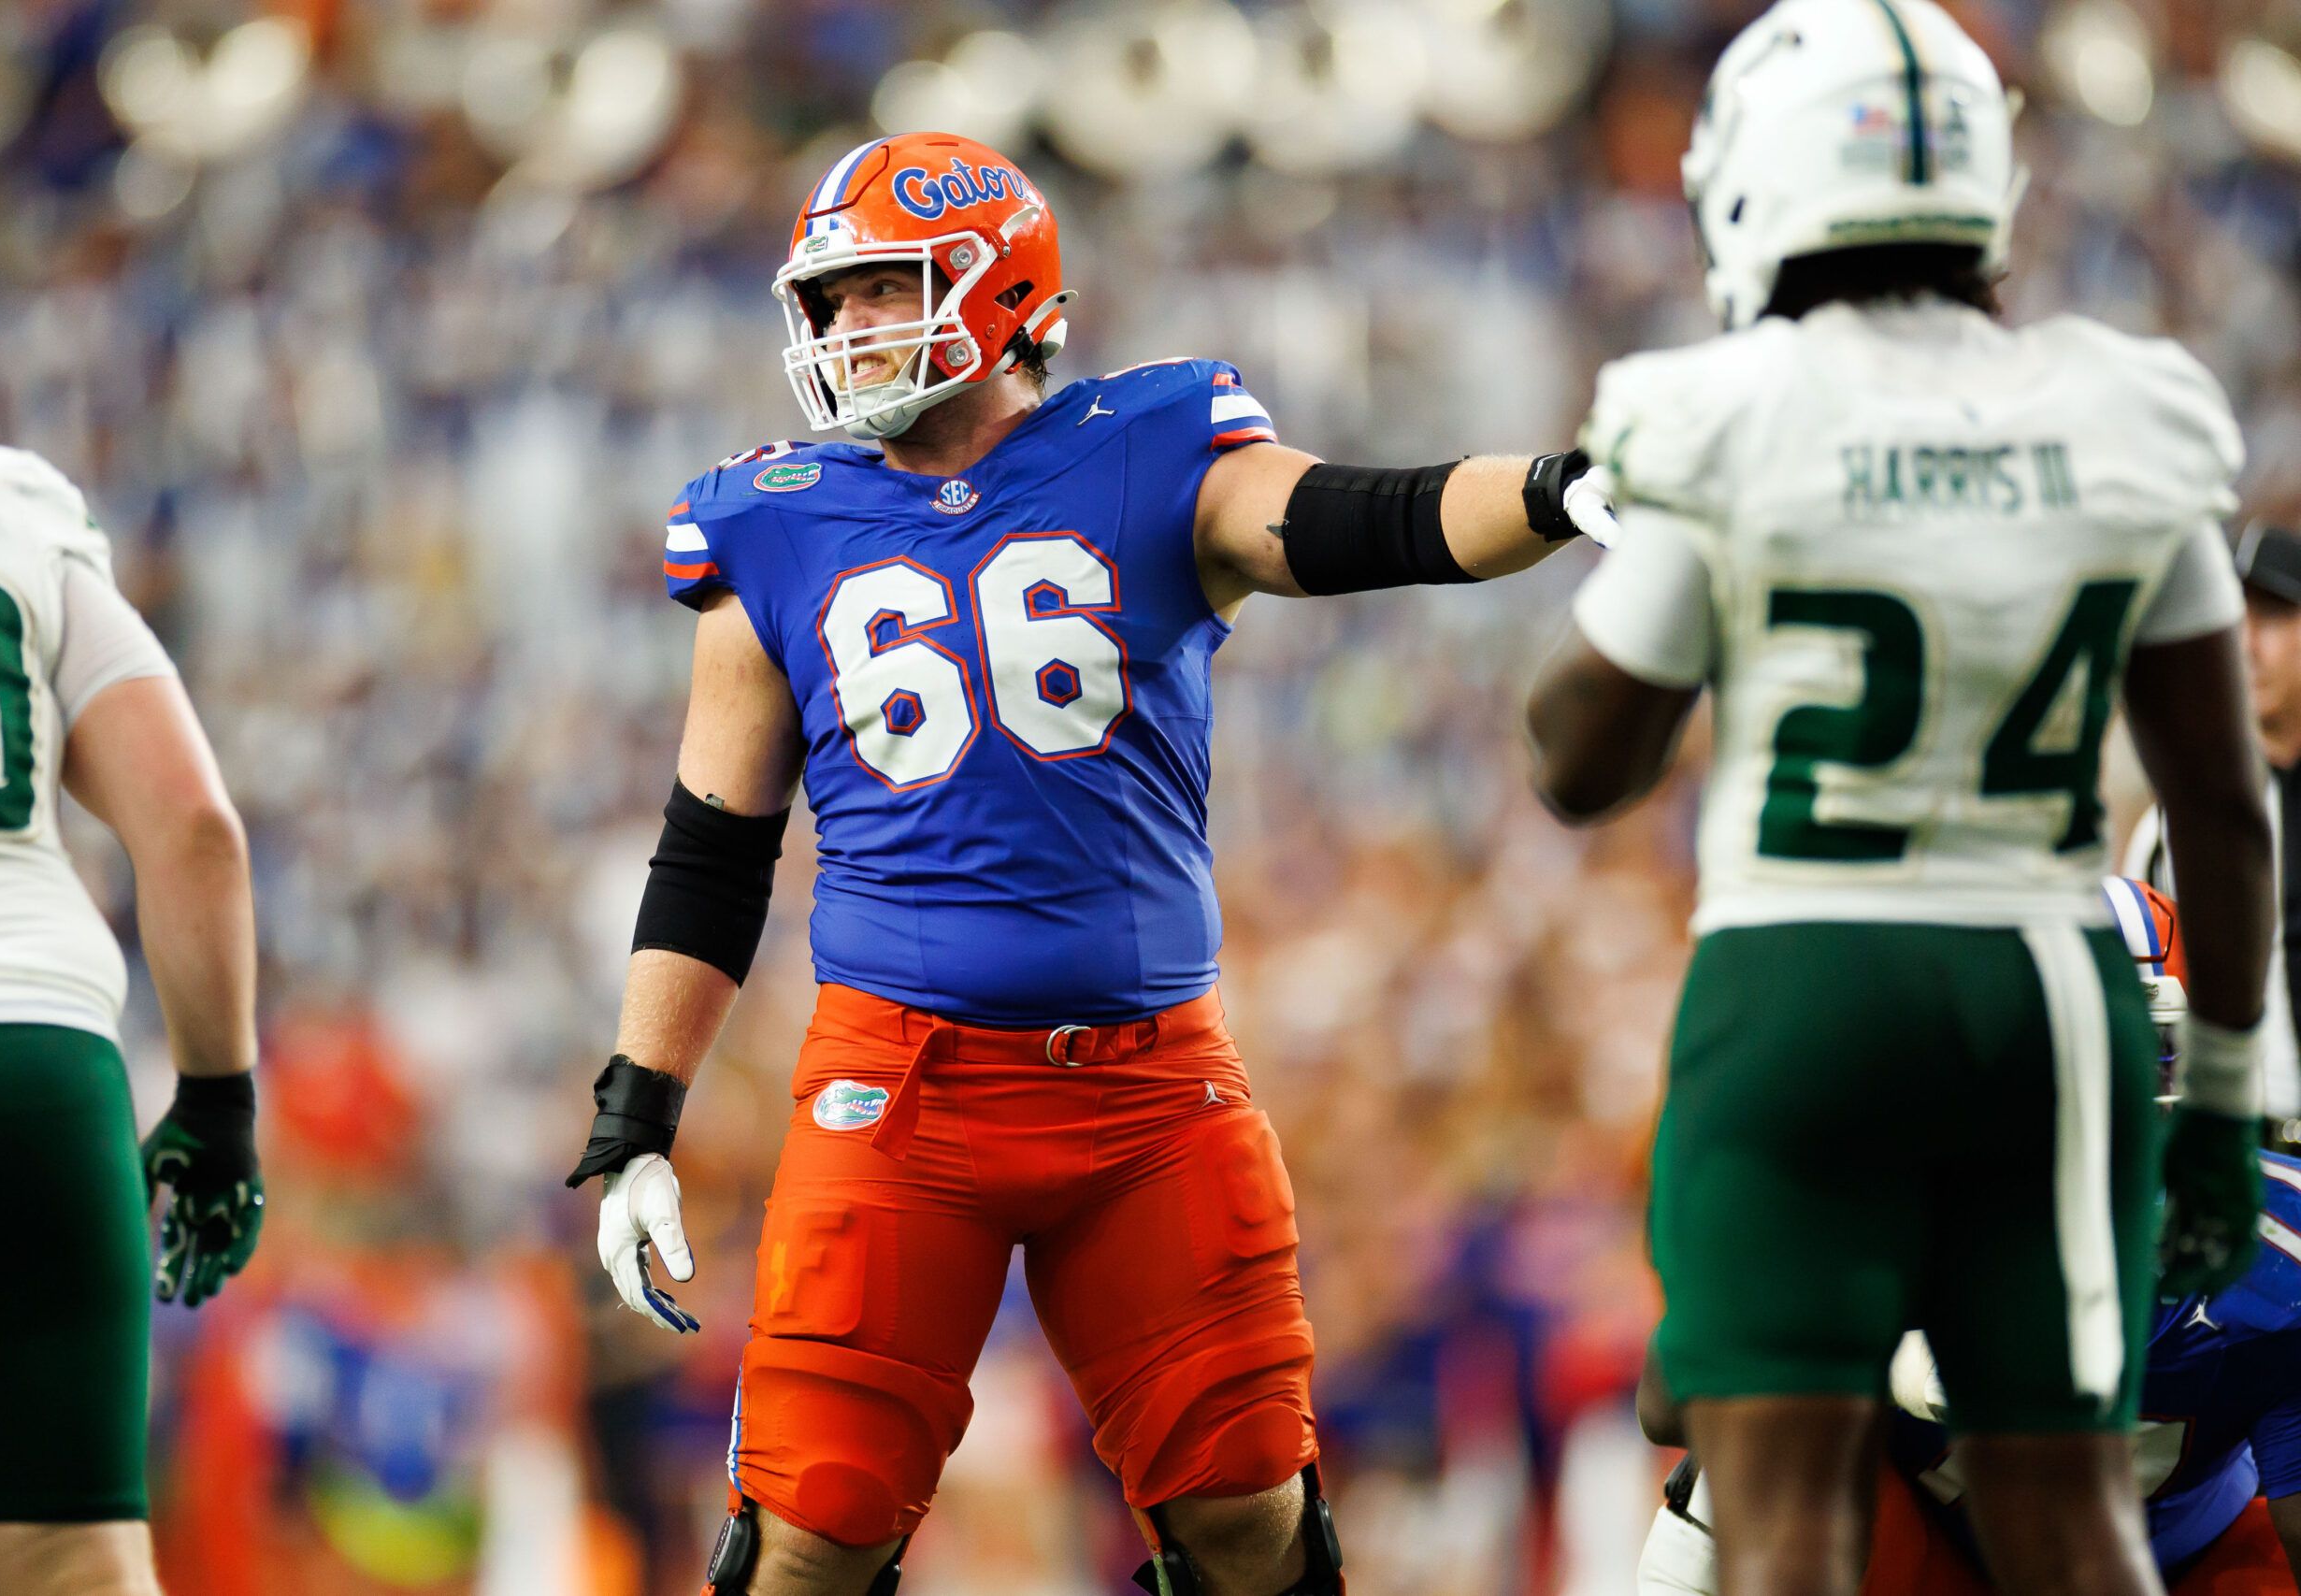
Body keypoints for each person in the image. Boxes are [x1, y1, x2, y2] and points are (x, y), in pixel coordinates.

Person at [561, 130, 1607, 1596]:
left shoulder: (1160, 444)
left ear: (999, 283)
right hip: (900, 1087)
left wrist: (1557, 489)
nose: (850, 329)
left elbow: (1358, 515)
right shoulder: (767, 518)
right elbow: (713, 848)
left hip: (1151, 1086)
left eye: (882, 289)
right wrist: (639, 1108)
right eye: (834, 301)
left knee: (1251, 1511)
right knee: (813, 1527)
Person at [1522, 3, 2277, 1594]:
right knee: (2072, 1507)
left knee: (1776, 1502)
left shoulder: (1724, 408)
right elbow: (2220, 799)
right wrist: (2218, 1095)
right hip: (2051, 982)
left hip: (1808, 968)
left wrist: (1655, 519)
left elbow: (1581, 759)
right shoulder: (2127, 404)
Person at [1636, 883, 2301, 1596]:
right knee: (1753, 1467)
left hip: (2181, 1562)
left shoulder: (2272, 1247)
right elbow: (1668, 1400)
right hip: (1930, 1547)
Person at [0, 446, 265, 1596]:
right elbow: (195, 828)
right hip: (31, 1063)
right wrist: (218, 1101)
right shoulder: (1, 508)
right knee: (79, 1565)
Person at [2125, 522, 2301, 1119]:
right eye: (2235, 617)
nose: (2247, 644)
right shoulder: (2176, 823)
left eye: (2274, 618)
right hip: (2240, 1136)